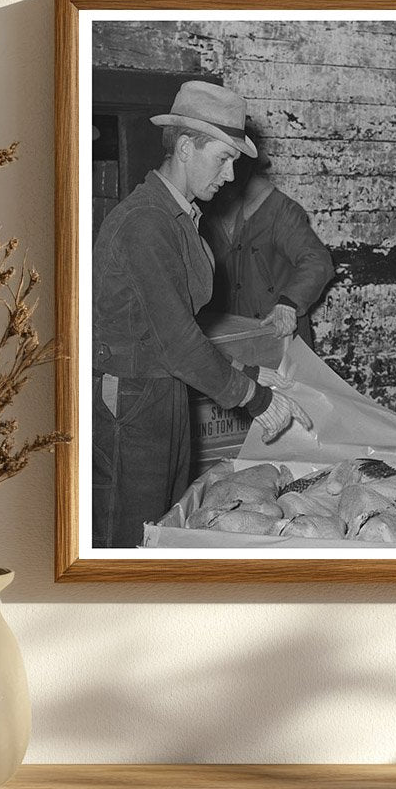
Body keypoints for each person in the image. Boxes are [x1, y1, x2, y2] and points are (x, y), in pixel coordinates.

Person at [91, 80, 312, 548]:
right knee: (130, 531)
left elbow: (173, 332)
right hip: (130, 399)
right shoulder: (145, 223)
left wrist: (248, 370)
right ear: (187, 148)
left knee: (166, 519)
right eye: (224, 158)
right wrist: (255, 398)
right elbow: (177, 342)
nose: (231, 176)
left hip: (164, 389)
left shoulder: (180, 217)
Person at [200, 128, 334, 347]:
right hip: (229, 338)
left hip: (278, 333)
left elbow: (317, 260)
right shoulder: (203, 209)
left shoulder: (277, 209)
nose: (229, 173)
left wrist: (289, 302)